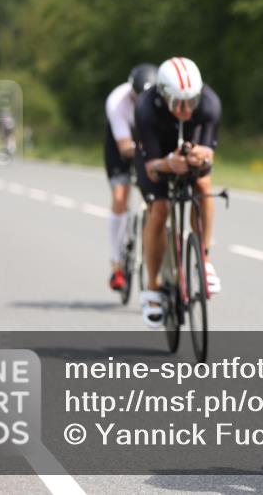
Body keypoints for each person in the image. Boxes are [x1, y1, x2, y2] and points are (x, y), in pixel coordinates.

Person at [135, 57, 222, 328]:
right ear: (162, 96)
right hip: (158, 157)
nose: (185, 111)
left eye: (190, 103)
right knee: (160, 210)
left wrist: (200, 157)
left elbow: (209, 153)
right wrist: (168, 163)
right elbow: (151, 168)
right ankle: (152, 287)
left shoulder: (209, 102)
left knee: (204, 185)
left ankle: (204, 259)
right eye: (177, 103)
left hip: (188, 150)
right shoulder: (146, 107)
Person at [104, 63, 157, 292]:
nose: (140, 102)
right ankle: (117, 263)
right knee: (120, 196)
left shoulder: (159, 99)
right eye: (137, 97)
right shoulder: (117, 101)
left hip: (148, 140)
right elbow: (125, 146)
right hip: (122, 143)